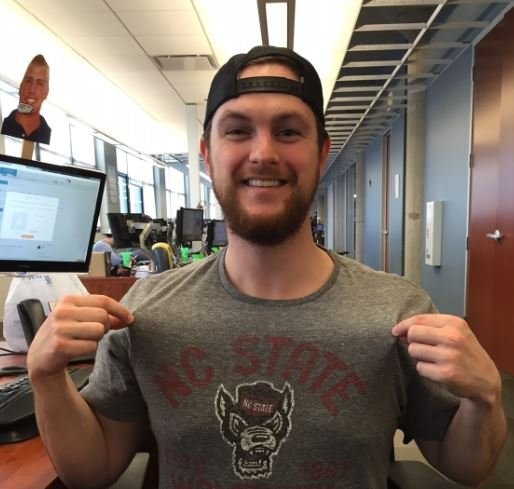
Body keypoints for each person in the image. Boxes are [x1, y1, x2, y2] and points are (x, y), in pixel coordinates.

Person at [27, 46, 506, 489]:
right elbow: (91, 471)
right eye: (238, 130)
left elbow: (467, 466)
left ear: (321, 152)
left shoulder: (397, 313)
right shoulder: (146, 313)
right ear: (207, 154)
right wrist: (46, 378)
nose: (263, 153)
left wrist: (485, 399)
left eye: (288, 131)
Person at [1, 54, 51, 144]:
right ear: (20, 87)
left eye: (39, 83)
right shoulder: (3, 124)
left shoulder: (48, 135)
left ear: (46, 92)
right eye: (28, 81)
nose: (32, 90)